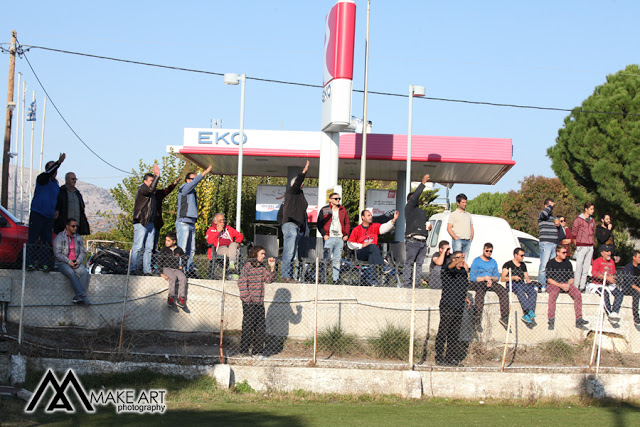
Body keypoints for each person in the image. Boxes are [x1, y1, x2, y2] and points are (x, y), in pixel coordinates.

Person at [26, 153, 66, 272]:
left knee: (46, 241)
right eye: (53, 168)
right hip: (38, 213)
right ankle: (30, 263)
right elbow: (48, 174)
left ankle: (44, 264)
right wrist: (58, 163)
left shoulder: (56, 184)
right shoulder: (42, 179)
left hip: (49, 216)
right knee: (33, 240)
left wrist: (57, 210)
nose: (55, 171)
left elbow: (56, 198)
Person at [237, 245, 276, 358]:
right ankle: (244, 351)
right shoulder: (247, 266)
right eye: (262, 254)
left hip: (259, 302)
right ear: (255, 254)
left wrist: (272, 267)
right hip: (249, 302)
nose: (264, 256)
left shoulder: (262, 267)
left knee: (260, 327)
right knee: (248, 326)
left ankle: (258, 351)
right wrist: (247, 298)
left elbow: (269, 279)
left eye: (264, 254)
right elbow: (241, 282)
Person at [435, 250, 470, 367]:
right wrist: (457, 261)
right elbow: (449, 267)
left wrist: (466, 297)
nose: (462, 261)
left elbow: (464, 285)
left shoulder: (463, 272)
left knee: (454, 334)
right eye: (459, 258)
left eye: (462, 258)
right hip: (448, 305)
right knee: (443, 332)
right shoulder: (448, 269)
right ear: (454, 259)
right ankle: (439, 357)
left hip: (459, 306)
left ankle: (451, 358)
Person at [176, 165, 213, 275]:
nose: (194, 181)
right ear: (187, 180)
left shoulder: (192, 191)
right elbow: (193, 183)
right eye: (192, 179)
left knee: (191, 249)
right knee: (181, 248)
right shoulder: (184, 188)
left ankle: (188, 269)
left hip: (191, 222)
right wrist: (204, 172)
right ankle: (179, 269)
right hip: (183, 222)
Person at [277, 160, 309, 282]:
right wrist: (304, 171)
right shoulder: (293, 191)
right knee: (289, 252)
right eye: (300, 183)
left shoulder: (298, 195)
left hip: (295, 226)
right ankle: (285, 276)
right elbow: (297, 183)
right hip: (290, 225)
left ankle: (288, 275)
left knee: (292, 252)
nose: (302, 185)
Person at [546, 244, 589, 330]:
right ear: (557, 253)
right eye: (563, 252)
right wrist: (560, 285)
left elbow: (571, 278)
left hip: (565, 284)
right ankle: (551, 319)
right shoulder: (551, 263)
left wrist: (568, 285)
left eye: (566, 252)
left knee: (577, 293)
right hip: (554, 284)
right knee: (553, 294)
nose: (566, 254)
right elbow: (549, 279)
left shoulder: (567, 263)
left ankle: (579, 319)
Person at [469, 243, 510, 331]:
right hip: (480, 282)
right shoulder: (477, 261)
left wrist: (490, 278)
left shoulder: (493, 262)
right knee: (480, 293)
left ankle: (504, 317)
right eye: (487, 250)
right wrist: (484, 278)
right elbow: (472, 277)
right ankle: (477, 318)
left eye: (490, 251)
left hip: (490, 281)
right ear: (483, 250)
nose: (488, 252)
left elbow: (497, 277)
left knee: (503, 291)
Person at [403, 173, 433, 288]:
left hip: (422, 240)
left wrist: (428, 228)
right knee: (409, 263)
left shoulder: (421, 212)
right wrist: (423, 183)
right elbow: (415, 197)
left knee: (419, 264)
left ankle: (417, 284)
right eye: (414, 198)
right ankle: (407, 283)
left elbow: (426, 223)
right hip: (413, 240)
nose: (416, 200)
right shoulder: (409, 208)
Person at [53, 217, 90, 305]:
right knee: (70, 272)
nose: (75, 228)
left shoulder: (78, 237)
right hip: (63, 262)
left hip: (75, 262)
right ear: (67, 226)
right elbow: (57, 254)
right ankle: (82, 295)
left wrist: (78, 261)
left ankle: (78, 297)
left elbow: (82, 252)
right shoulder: (59, 237)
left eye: (76, 226)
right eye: (73, 226)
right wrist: (68, 261)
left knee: (84, 273)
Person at [131, 164, 160, 275]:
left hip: (150, 223)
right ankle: (133, 268)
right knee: (138, 247)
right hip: (141, 222)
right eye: (151, 181)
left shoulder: (152, 194)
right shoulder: (143, 189)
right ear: (145, 181)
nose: (153, 183)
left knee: (149, 248)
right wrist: (157, 176)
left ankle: (146, 270)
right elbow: (150, 189)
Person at [317, 192, 350, 283]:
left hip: (339, 238)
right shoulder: (325, 209)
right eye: (336, 198)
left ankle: (335, 279)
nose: (338, 200)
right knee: (325, 259)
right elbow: (319, 223)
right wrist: (324, 234)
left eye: (339, 198)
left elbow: (347, 223)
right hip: (329, 238)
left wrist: (346, 234)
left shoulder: (343, 210)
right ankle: (322, 279)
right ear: (330, 200)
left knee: (337, 260)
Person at [501, 248, 537, 326]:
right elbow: (503, 278)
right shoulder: (508, 265)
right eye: (521, 255)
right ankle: (527, 310)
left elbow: (526, 277)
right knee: (520, 290)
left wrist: (530, 282)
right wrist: (513, 277)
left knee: (533, 291)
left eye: (523, 255)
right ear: (515, 255)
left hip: (521, 283)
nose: (523, 257)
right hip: (512, 283)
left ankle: (528, 313)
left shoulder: (523, 265)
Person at [589, 245, 623, 322]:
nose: (609, 253)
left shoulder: (611, 262)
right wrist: (607, 277)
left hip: (609, 285)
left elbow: (613, 273)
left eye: (610, 251)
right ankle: (610, 314)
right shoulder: (597, 261)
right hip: (598, 285)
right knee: (605, 294)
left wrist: (613, 278)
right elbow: (594, 273)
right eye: (607, 251)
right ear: (602, 253)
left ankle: (614, 312)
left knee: (619, 294)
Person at [158, 231, 187, 309]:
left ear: (174, 241)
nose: (166, 242)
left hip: (175, 268)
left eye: (168, 241)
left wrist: (182, 265)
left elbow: (184, 258)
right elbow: (159, 261)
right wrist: (161, 273)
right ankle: (171, 298)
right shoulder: (164, 249)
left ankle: (181, 298)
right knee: (173, 277)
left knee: (183, 278)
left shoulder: (179, 249)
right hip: (166, 268)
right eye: (166, 240)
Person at [153, 176, 181, 252]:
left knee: (153, 245)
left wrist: (174, 183)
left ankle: (151, 262)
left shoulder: (158, 194)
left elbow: (167, 191)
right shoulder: (144, 193)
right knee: (145, 245)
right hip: (147, 223)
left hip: (156, 223)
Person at [537, 198, 560, 292]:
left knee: (551, 266)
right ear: (546, 206)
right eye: (550, 206)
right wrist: (550, 206)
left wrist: (558, 226)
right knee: (544, 266)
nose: (552, 208)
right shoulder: (542, 215)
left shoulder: (552, 218)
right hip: (546, 243)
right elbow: (544, 213)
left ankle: (550, 285)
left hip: (553, 244)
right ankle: (542, 285)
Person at [572, 201, 596, 291]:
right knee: (579, 267)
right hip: (581, 245)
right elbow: (574, 232)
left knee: (586, 268)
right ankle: (576, 285)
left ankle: (582, 286)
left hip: (590, 246)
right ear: (586, 209)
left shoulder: (592, 220)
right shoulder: (578, 220)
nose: (592, 211)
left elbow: (592, 231)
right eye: (591, 209)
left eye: (593, 209)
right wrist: (577, 244)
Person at [447, 193, 473, 261]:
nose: (465, 204)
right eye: (463, 202)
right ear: (458, 203)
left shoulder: (468, 215)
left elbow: (471, 227)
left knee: (465, 260)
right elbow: (449, 228)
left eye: (466, 202)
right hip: (458, 240)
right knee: (457, 260)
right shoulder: (453, 214)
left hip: (467, 240)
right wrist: (455, 238)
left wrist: (471, 238)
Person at [622, 250, 640, 326]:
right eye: (639, 257)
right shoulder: (628, 267)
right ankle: (636, 317)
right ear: (634, 257)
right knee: (636, 293)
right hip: (628, 289)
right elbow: (629, 282)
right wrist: (638, 289)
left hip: (638, 287)